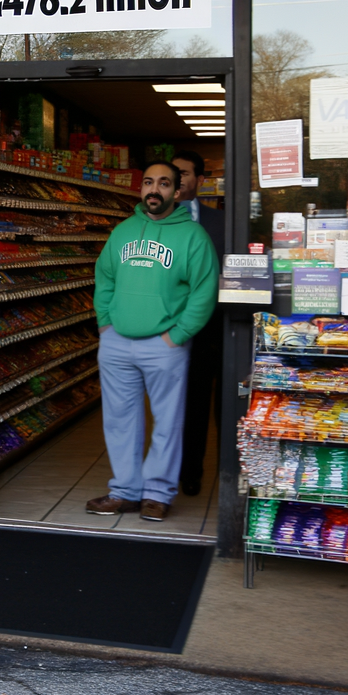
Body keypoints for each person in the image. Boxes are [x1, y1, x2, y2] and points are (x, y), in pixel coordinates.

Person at [87, 162, 218, 522]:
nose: (154, 190)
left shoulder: (193, 236)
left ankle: (157, 494)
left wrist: (177, 336)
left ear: (177, 192)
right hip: (117, 343)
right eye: (148, 182)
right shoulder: (123, 231)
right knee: (119, 420)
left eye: (163, 183)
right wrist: (105, 326)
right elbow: (105, 279)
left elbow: (204, 291)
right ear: (140, 189)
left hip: (164, 345)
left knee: (167, 421)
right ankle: (125, 492)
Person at [172, 150, 226, 497]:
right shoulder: (155, 222)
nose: (178, 180)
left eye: (185, 174)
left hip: (220, 326)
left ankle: (229, 475)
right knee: (189, 407)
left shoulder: (222, 222)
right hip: (176, 329)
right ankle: (189, 474)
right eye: (172, 174)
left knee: (226, 405)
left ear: (200, 181)